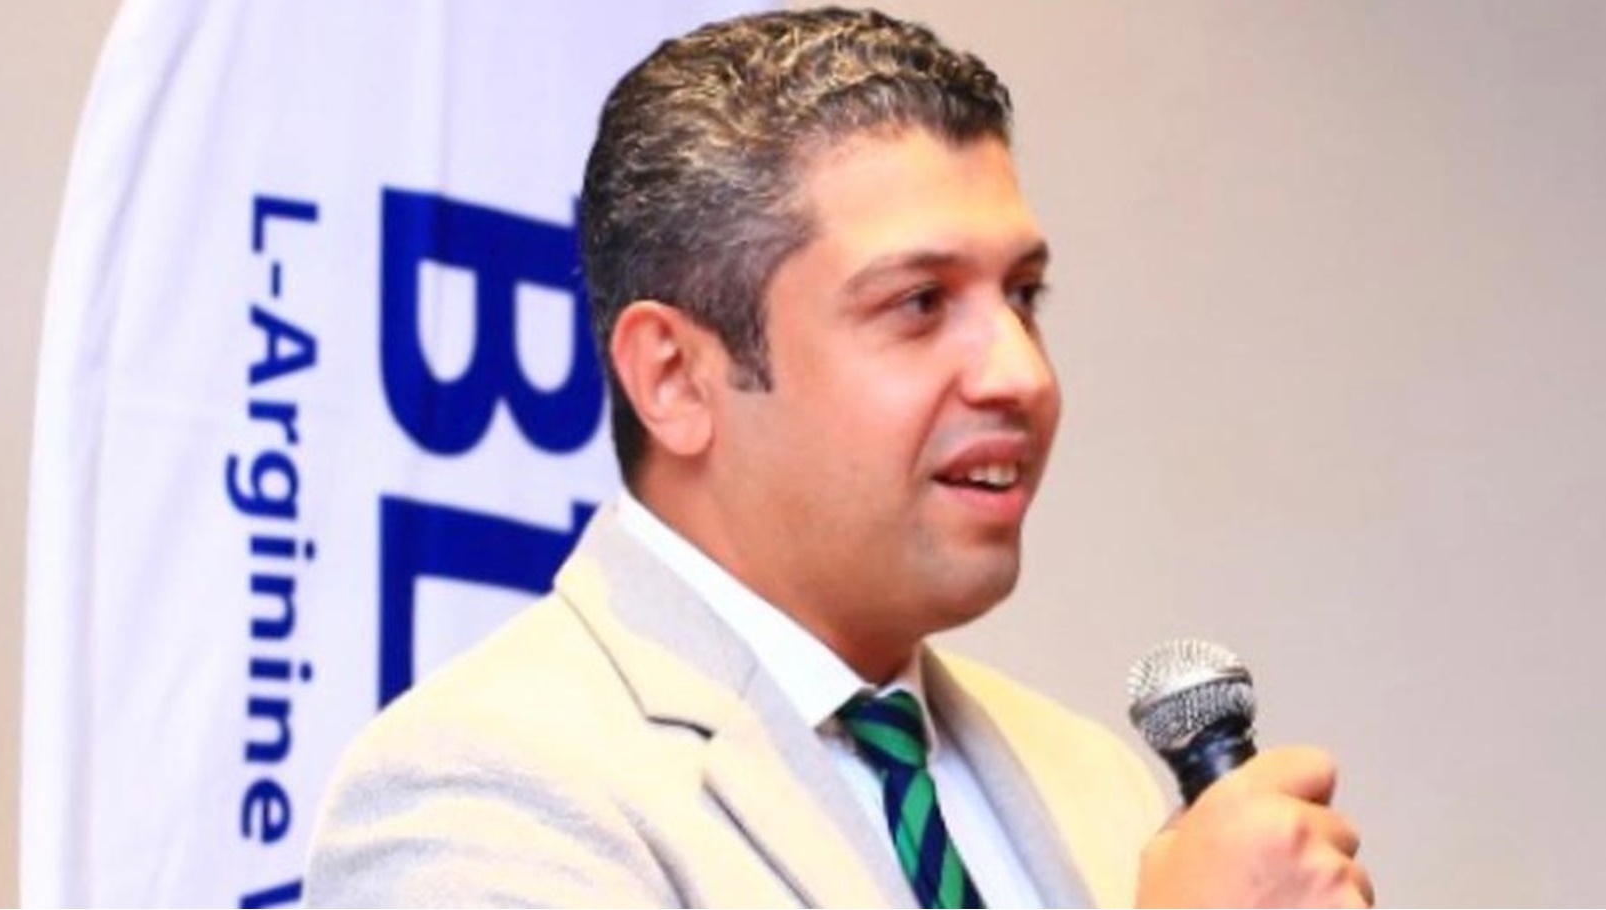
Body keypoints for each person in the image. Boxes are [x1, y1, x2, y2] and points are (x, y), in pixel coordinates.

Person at [304, 8, 1372, 908]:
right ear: (674, 377)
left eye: (1023, 296)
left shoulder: (1094, 780)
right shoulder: (480, 791)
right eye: (919, 303)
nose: (1020, 374)